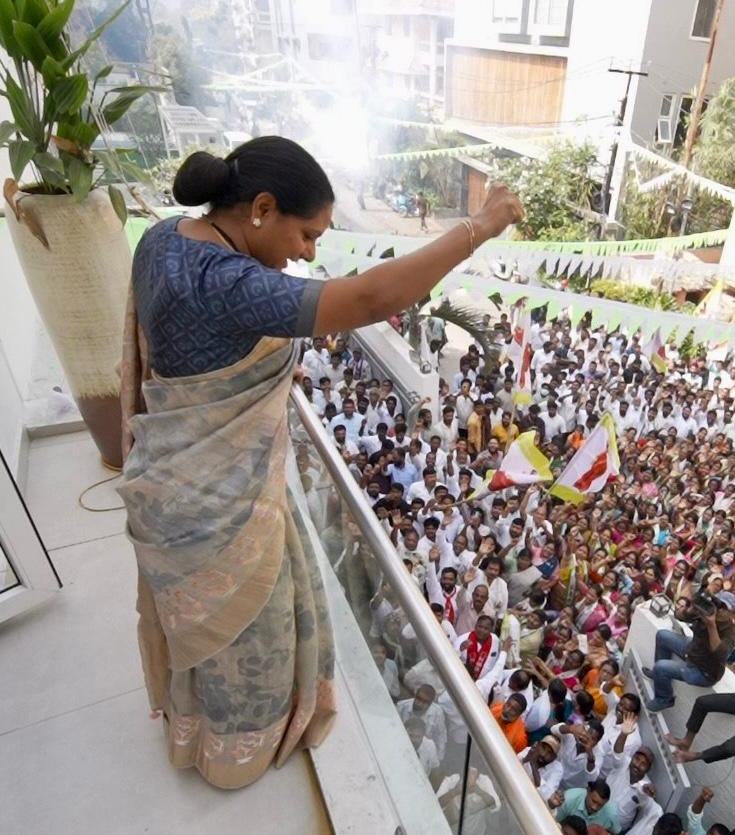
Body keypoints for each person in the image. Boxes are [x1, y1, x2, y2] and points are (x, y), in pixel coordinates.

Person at [119, 137, 523, 787]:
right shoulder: (230, 284)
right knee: (247, 647)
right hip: (219, 510)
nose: (308, 254)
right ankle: (232, 759)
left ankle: (191, 729)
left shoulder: (162, 238)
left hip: (169, 480)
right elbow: (364, 301)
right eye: (307, 235)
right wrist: (479, 226)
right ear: (261, 209)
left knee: (203, 635)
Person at [647, 591, 735, 711]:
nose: (720, 609)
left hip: (703, 671)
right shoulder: (705, 613)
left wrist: (711, 625)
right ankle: (658, 677)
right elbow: (678, 616)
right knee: (662, 635)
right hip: (692, 650)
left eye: (724, 607)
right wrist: (691, 609)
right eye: (718, 604)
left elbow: (719, 655)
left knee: (661, 667)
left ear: (732, 614)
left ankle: (664, 699)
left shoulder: (732, 632)